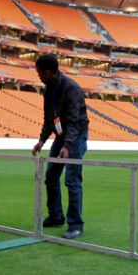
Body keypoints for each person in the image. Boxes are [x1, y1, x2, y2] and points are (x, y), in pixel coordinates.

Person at [31, 54, 89, 240]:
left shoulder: (71, 88)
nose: (38, 76)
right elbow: (50, 119)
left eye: (39, 72)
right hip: (62, 134)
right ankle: (56, 216)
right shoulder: (48, 90)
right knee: (51, 176)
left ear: (48, 72)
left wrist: (68, 145)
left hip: (76, 135)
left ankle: (76, 225)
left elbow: (74, 120)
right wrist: (42, 140)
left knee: (72, 179)